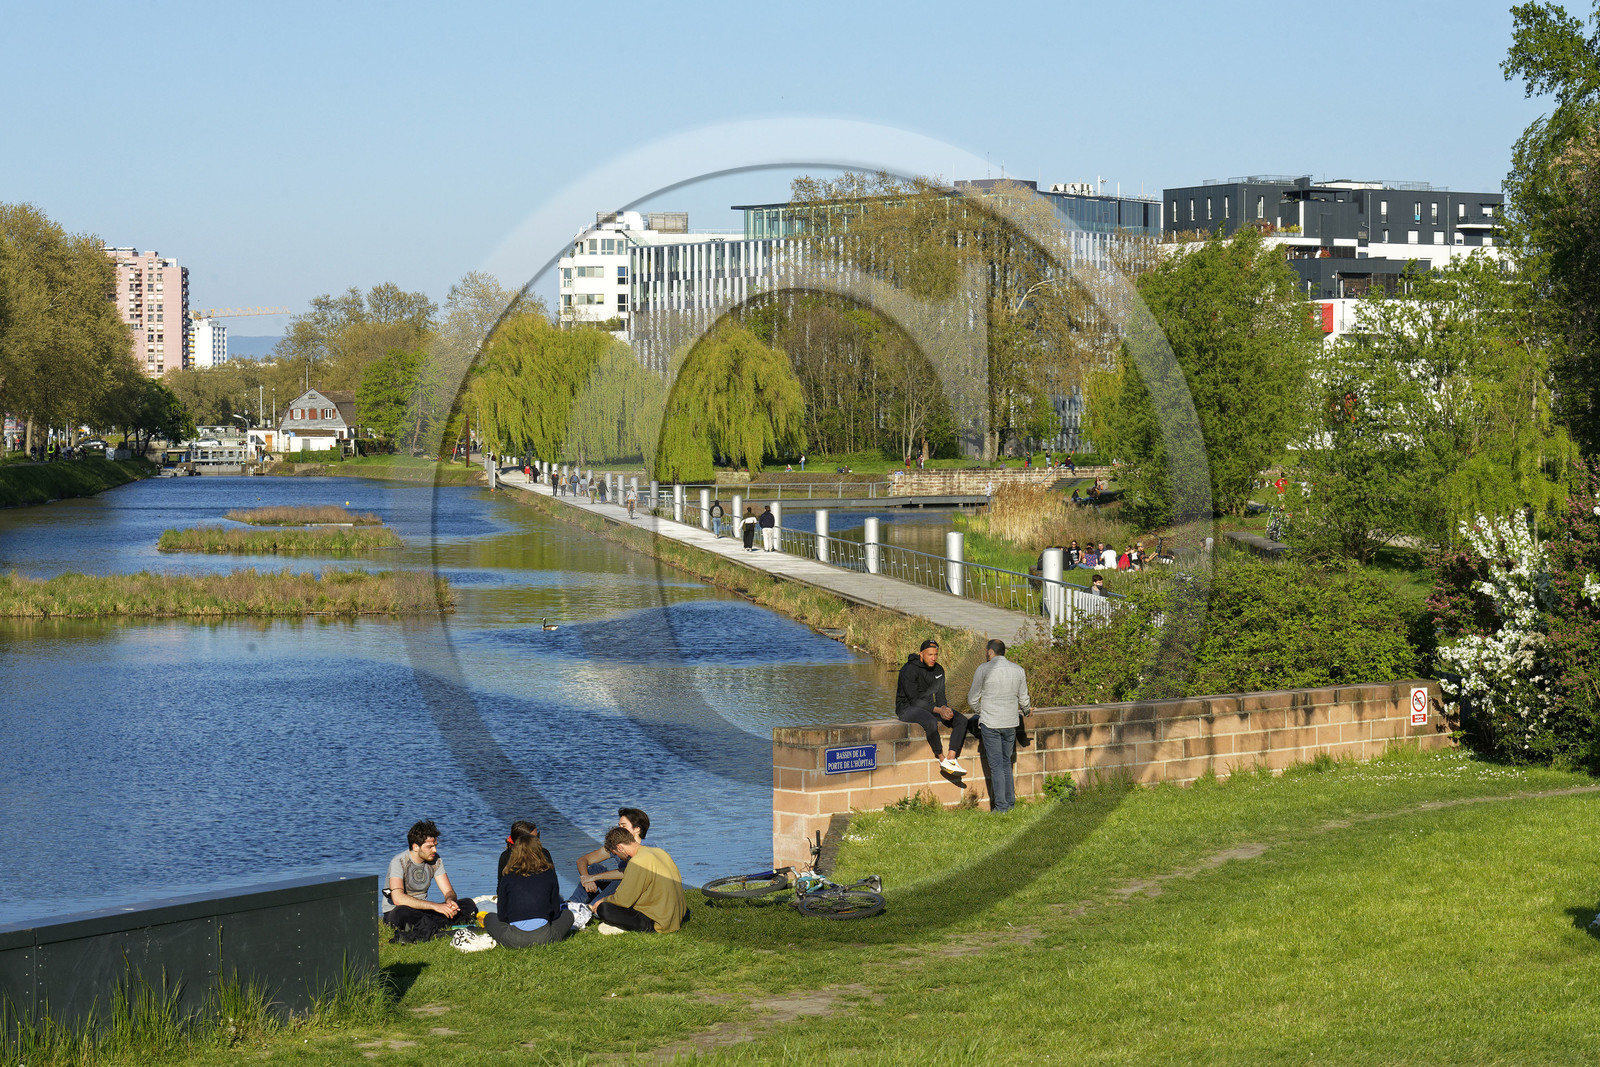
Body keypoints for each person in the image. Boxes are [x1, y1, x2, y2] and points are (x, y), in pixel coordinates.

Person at [381, 820, 477, 944]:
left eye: (435, 845)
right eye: (430, 847)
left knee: (467, 904)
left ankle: (429, 926)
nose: (434, 850)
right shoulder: (399, 862)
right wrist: (435, 906)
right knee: (403, 911)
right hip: (398, 912)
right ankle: (434, 927)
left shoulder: (435, 860)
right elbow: (398, 899)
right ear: (415, 846)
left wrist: (450, 901)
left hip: (423, 911)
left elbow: (448, 891)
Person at [484, 826, 576, 947]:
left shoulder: (507, 876)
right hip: (544, 937)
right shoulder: (549, 873)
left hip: (514, 939)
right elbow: (556, 911)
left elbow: (502, 915)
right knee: (568, 914)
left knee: (489, 918)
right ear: (539, 851)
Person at [968, 639, 1031, 813]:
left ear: (990, 652)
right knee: (1006, 763)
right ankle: (1010, 804)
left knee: (996, 766)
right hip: (1010, 723)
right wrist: (1026, 711)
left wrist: (984, 710)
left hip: (991, 723)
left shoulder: (983, 669)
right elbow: (1024, 699)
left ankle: (1001, 807)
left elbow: (972, 699)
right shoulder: (1018, 670)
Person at [595, 826, 689, 934]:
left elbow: (623, 900)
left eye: (616, 854)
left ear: (620, 848)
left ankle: (634, 928)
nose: (619, 858)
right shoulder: (659, 852)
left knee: (604, 909)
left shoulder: (637, 861)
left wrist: (603, 900)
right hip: (676, 917)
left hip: (659, 922)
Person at [895, 639, 969, 775]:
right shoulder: (909, 670)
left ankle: (951, 758)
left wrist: (945, 709)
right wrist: (938, 710)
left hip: (929, 707)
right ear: (921, 654)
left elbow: (940, 696)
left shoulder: (938, 670)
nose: (933, 658)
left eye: (935, 655)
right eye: (930, 655)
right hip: (907, 708)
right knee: (930, 721)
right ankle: (941, 759)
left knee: (962, 720)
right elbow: (914, 701)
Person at [572, 808, 651, 903]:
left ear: (637, 829)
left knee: (621, 879)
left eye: (623, 826)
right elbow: (582, 860)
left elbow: (630, 872)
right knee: (595, 868)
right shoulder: (616, 845)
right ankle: (572, 904)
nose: (619, 829)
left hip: (634, 891)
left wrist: (594, 877)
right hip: (619, 887)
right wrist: (586, 878)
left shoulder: (647, 847)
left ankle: (593, 907)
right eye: (619, 825)